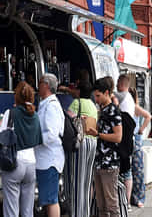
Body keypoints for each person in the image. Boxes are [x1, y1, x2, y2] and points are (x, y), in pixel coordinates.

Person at [0, 82, 43, 217]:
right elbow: (38, 140)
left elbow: (1, 137)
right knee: (28, 211)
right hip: (31, 164)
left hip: (14, 163)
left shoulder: (10, 113)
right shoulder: (35, 115)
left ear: (16, 97)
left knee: (11, 209)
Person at [88, 77, 123, 217]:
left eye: (98, 96)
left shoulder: (113, 111)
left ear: (107, 93)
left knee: (111, 204)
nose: (96, 99)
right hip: (100, 162)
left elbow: (118, 137)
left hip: (109, 163)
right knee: (101, 204)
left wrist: (99, 134)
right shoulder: (103, 110)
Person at [66, 77, 97, 217]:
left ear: (79, 91)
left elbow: (68, 120)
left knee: (77, 180)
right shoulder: (92, 104)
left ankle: (77, 214)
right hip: (93, 142)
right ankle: (85, 212)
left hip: (81, 142)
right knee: (87, 181)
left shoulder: (76, 103)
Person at [36, 74, 65, 217]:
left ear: (46, 85)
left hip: (49, 160)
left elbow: (52, 134)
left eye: (40, 82)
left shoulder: (51, 106)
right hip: (44, 159)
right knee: (48, 199)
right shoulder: (46, 103)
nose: (38, 85)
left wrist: (34, 139)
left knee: (51, 199)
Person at [128, 88, 151, 208]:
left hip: (135, 139)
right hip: (128, 139)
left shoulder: (134, 107)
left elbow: (148, 116)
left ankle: (139, 197)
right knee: (129, 170)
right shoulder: (126, 106)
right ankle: (132, 197)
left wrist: (141, 130)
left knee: (137, 170)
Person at [115, 75, 135, 202]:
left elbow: (111, 95)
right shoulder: (130, 98)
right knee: (127, 171)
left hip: (123, 139)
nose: (116, 86)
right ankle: (126, 201)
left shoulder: (121, 96)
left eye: (117, 83)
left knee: (125, 171)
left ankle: (124, 201)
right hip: (128, 139)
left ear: (121, 85)